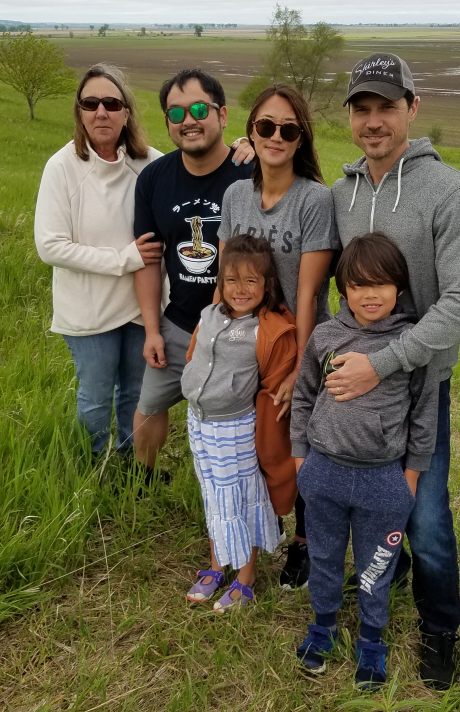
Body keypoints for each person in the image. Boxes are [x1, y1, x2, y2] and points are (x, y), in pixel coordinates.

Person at [328, 53, 460, 688]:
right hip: (355, 385)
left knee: (424, 513)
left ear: (412, 109)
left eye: (386, 107)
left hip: (420, 384)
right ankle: (379, 578)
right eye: (362, 109)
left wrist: (384, 363)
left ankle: (441, 627)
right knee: (367, 494)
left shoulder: (449, 191)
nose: (373, 121)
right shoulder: (341, 193)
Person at [291, 233, 437, 690]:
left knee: (377, 565)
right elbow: (303, 397)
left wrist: (410, 476)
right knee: (326, 555)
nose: (369, 295)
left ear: (399, 288)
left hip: (383, 481)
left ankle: (372, 641)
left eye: (381, 284)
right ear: (343, 290)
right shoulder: (326, 337)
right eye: (358, 285)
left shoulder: (411, 344)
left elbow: (424, 412)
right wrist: (301, 461)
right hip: (324, 474)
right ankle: (323, 627)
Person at [218, 84, 338, 590]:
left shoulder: (314, 200)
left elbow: (308, 294)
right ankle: (251, 531)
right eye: (265, 126)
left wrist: (300, 370)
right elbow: (222, 277)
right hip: (248, 341)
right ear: (250, 130)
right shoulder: (234, 195)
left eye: (288, 129)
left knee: (299, 441)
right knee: (252, 439)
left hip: (295, 340)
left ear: (300, 139)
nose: (275, 136)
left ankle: (304, 544)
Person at [34, 63, 163, 460]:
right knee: (95, 394)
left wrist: (244, 148)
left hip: (140, 308)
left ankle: (127, 460)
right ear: (79, 112)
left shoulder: (150, 163)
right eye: (90, 103)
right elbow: (50, 246)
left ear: (127, 112)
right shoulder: (62, 167)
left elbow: (197, 169)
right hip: (88, 310)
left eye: (111, 102)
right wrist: (123, 258)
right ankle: (95, 464)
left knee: (136, 391)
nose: (101, 112)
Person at [131, 69, 254, 479]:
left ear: (222, 115)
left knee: (248, 416)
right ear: (167, 122)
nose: (189, 120)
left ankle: (245, 489)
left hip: (243, 328)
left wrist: (255, 145)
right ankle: (143, 481)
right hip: (180, 322)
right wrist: (152, 329)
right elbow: (149, 258)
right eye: (177, 112)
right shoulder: (154, 179)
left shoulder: (249, 173)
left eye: (200, 109)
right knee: (149, 406)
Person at [182, 234, 297, 613]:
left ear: (267, 285)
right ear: (220, 281)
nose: (240, 289)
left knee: (239, 500)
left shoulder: (268, 328)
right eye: (231, 280)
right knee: (212, 495)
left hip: (234, 427)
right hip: (198, 420)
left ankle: (245, 577)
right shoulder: (210, 314)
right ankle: (218, 565)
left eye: (251, 280)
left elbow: (278, 381)